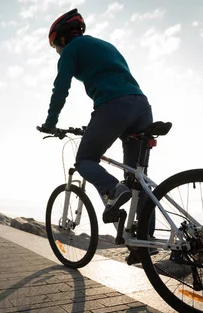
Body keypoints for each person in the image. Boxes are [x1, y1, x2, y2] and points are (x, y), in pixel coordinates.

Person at [37, 8, 153, 223]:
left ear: (62, 37)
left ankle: (113, 190)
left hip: (113, 106)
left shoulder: (72, 49)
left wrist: (50, 122)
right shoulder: (107, 46)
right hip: (142, 106)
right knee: (138, 180)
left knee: (84, 160)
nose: (57, 52)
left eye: (55, 47)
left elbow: (60, 88)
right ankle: (144, 242)